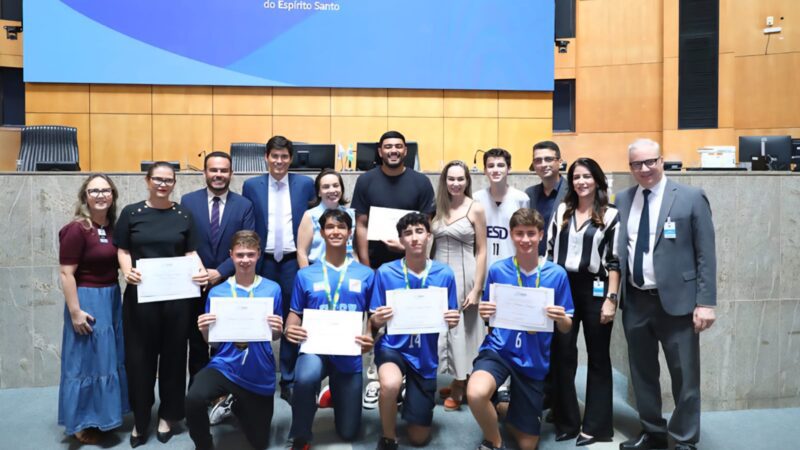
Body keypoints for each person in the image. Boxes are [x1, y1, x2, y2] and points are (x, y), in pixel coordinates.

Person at [616, 139, 716, 450]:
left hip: (679, 303)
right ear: (630, 166)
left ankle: (685, 439)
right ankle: (653, 432)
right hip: (636, 301)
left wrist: (706, 302)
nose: (643, 169)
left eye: (649, 162)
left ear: (662, 160)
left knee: (685, 376)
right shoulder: (622, 199)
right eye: (636, 164)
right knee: (642, 372)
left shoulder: (690, 197)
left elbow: (706, 254)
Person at [114, 161, 209, 447]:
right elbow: (122, 248)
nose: (163, 184)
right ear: (147, 180)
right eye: (158, 179)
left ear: (174, 183)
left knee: (174, 359)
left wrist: (201, 270)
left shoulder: (183, 214)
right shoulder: (132, 213)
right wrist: (125, 270)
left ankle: (168, 415)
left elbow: (191, 251)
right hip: (141, 299)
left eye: (168, 180)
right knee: (139, 360)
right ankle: (141, 419)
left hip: (178, 301)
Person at [466, 208, 574, 450]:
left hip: (532, 358)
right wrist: (486, 313)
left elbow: (567, 327)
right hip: (500, 350)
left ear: (541, 235)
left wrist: (560, 318)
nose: (525, 240)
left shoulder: (556, 274)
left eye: (531, 234)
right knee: (475, 393)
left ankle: (504, 404)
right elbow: (489, 316)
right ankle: (494, 441)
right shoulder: (497, 270)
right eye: (519, 234)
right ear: (511, 236)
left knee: (528, 445)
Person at [350, 130, 435, 409]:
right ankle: (376, 378)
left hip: (410, 264)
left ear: (405, 151)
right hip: (375, 263)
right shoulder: (366, 180)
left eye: (398, 146)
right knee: (375, 320)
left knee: (408, 318)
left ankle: (408, 375)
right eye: (388, 147)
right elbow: (361, 223)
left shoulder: (421, 182)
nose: (393, 151)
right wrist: (364, 263)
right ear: (379, 151)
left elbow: (425, 227)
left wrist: (405, 249)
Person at [285, 209, 376, 449]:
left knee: (348, 433)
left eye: (341, 227)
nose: (336, 232)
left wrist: (370, 336)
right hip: (315, 348)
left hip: (348, 353)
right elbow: (295, 312)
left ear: (349, 232)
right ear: (322, 233)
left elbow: (373, 317)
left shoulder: (366, 274)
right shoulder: (305, 274)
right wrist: (289, 329)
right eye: (330, 227)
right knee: (305, 378)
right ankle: (301, 435)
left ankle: (333, 392)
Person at [185, 231, 284, 450]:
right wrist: (204, 331)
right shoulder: (218, 293)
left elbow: (274, 336)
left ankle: (236, 405)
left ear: (258, 254)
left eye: (250, 254)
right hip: (225, 365)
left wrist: (279, 330)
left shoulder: (272, 289)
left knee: (259, 443)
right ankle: (203, 445)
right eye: (240, 255)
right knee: (193, 398)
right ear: (231, 255)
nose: (245, 260)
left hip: (259, 369)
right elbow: (214, 343)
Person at [369, 212, 460, 450]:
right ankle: (388, 437)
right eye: (408, 233)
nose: (415, 238)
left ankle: (407, 395)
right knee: (389, 384)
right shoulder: (386, 272)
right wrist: (377, 319)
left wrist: (453, 319)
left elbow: (450, 320)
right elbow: (374, 321)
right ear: (401, 240)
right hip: (393, 346)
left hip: (425, 354)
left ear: (429, 236)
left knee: (419, 439)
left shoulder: (444, 274)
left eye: (420, 231)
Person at [546, 158, 620, 446]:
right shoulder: (562, 211)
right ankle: (566, 421)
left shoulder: (611, 214)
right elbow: (551, 251)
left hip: (596, 289)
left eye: (587, 176)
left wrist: (611, 299)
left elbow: (614, 261)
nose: (581, 182)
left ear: (597, 180)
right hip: (562, 285)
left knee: (598, 357)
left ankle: (597, 426)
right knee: (562, 355)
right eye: (576, 177)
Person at [242, 135, 316, 402]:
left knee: (292, 318)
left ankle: (288, 378)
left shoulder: (305, 185)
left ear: (291, 158)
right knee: (258, 316)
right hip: (262, 262)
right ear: (266, 157)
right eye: (275, 156)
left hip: (292, 262)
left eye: (285, 156)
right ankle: (256, 374)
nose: (280, 161)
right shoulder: (251, 185)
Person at [58, 174, 129, 445]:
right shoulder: (77, 229)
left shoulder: (113, 227)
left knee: (106, 360)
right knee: (84, 361)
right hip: (86, 299)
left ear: (112, 195)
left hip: (111, 297)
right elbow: (66, 274)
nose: (100, 195)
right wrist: (75, 311)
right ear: (85, 196)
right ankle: (80, 423)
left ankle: (102, 416)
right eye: (93, 190)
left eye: (105, 190)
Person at [181, 151, 255, 389]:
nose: (218, 175)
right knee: (198, 340)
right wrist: (202, 271)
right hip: (196, 282)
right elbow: (184, 241)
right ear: (205, 173)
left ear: (231, 174)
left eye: (223, 170)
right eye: (213, 170)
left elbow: (247, 244)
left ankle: (229, 392)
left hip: (231, 282)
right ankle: (198, 392)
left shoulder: (244, 205)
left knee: (230, 340)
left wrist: (220, 272)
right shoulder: (188, 201)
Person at [431, 160, 488, 411]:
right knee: (444, 330)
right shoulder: (437, 208)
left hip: (464, 276)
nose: (455, 184)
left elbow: (482, 250)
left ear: (467, 181)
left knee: (463, 331)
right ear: (444, 181)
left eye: (460, 179)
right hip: (437, 277)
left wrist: (477, 288)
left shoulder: (475, 208)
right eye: (451, 179)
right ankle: (456, 376)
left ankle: (459, 383)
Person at [472, 148, 529, 269]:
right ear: (485, 171)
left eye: (501, 165)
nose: (496, 170)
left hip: (512, 268)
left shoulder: (521, 198)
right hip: (482, 268)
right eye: (491, 166)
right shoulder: (476, 198)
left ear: (509, 169)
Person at [296, 168, 357, 268]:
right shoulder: (310, 215)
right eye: (326, 187)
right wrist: (307, 276)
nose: (332, 190)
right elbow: (301, 252)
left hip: (346, 271)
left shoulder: (351, 214)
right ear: (319, 192)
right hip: (318, 271)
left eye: (336, 185)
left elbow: (352, 250)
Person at [525, 140, 568, 256]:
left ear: (560, 162)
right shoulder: (529, 194)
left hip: (563, 263)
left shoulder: (573, 192)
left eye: (548, 159)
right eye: (538, 160)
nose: (543, 164)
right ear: (534, 165)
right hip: (535, 262)